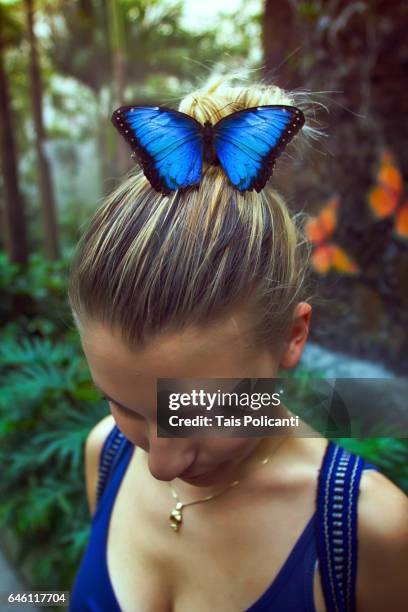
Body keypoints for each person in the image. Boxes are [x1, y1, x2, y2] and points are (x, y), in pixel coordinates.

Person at [67, 74, 408, 611]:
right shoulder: (105, 453)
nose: (160, 464)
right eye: (123, 404)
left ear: (293, 338)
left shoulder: (365, 532)